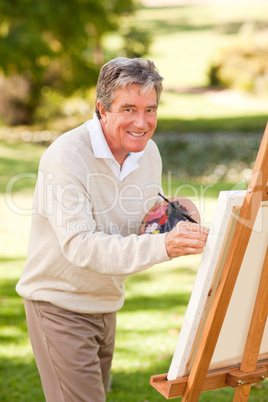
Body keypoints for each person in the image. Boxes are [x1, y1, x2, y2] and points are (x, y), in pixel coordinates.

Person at [16, 57, 209, 402]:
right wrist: (166, 245)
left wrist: (172, 216)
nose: (142, 122)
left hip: (107, 303)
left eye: (150, 109)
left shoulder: (148, 153)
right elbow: (82, 246)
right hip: (60, 305)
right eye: (129, 109)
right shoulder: (67, 157)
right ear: (102, 110)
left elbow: (139, 226)